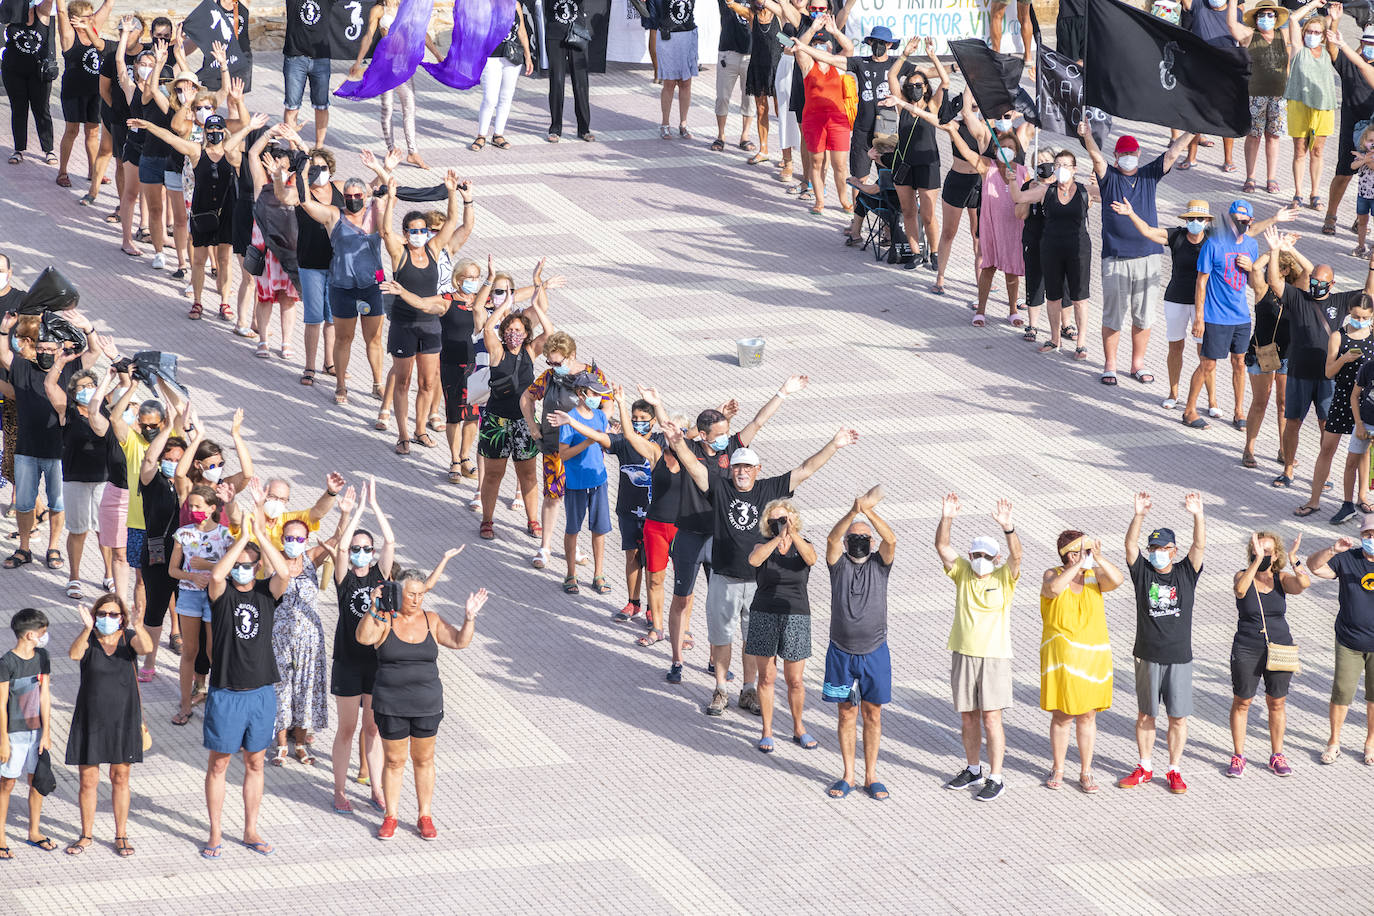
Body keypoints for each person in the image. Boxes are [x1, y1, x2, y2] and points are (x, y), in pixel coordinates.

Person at [671, 423, 858, 717]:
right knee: (721, 637)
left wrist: (834, 444)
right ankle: (721, 688)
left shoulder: (769, 489)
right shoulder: (719, 488)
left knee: (753, 641)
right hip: (724, 577)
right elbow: (694, 467)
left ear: (758, 469)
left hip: (759, 584)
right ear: (729, 470)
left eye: (747, 468)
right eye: (736, 468)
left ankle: (748, 690)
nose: (741, 473)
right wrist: (677, 442)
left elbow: (806, 469)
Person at [641, 376, 807, 688]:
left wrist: (782, 392)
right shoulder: (688, 449)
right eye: (718, 434)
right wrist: (658, 404)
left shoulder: (732, 449)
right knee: (682, 599)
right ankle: (677, 659)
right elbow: (671, 434)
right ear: (703, 435)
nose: (725, 438)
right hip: (690, 533)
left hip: (721, 536)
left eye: (726, 433)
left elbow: (758, 421)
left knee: (721, 604)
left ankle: (714, 660)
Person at [355, 561, 486, 840]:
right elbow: (363, 638)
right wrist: (373, 608)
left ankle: (424, 815)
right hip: (391, 704)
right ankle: (390, 816)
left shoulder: (431, 619)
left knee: (424, 759)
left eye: (420, 595)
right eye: (410, 594)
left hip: (426, 704)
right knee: (394, 761)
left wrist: (469, 617)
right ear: (399, 592)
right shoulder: (386, 618)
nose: (415, 600)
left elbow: (460, 641)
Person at [200, 516, 289, 859]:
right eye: (239, 565)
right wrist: (241, 539)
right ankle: (215, 832)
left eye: (249, 566)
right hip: (226, 691)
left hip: (261, 692)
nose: (243, 570)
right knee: (219, 764)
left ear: (257, 567)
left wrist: (261, 538)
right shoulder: (221, 596)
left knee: (256, 762)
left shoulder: (267, 593)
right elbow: (218, 575)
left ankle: (251, 829)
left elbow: (283, 574)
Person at [1078, 121, 1193, 386]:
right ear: (1116, 157)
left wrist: (1192, 131)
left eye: (1133, 154)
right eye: (1123, 154)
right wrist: (1086, 137)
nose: (1128, 158)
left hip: (1149, 257)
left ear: (1138, 155)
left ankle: (1137, 364)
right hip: (1116, 258)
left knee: (1143, 315)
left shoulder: (1148, 174)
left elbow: (1173, 153)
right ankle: (1110, 365)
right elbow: (1096, 157)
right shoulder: (1110, 178)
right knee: (1113, 315)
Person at [129, 110, 268, 319]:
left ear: (224, 131)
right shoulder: (196, 151)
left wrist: (250, 127)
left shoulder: (232, 154)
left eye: (218, 128)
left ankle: (224, 302)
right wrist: (149, 125)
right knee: (199, 260)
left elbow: (247, 141)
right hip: (201, 212)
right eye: (210, 128)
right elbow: (170, 138)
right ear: (204, 131)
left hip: (226, 212)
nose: (214, 132)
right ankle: (197, 301)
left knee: (224, 260)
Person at [1265, 231, 1374, 494]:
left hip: (1328, 377)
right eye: (1313, 280)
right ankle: (1288, 468)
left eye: (1321, 282)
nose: (1316, 285)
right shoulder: (1298, 298)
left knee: (1327, 425)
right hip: (1299, 373)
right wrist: (1276, 251)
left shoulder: (1339, 301)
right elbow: (1274, 282)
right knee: (1292, 422)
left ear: (1332, 284)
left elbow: (1368, 295)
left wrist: (1371, 266)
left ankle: (1322, 475)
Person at [935, 493, 1020, 802]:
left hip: (995, 657)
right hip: (963, 653)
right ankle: (974, 770)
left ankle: (996, 777)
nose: (979, 560)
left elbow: (1018, 558)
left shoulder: (1004, 576)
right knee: (968, 717)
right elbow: (943, 548)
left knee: (991, 718)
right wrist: (947, 519)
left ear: (995, 558)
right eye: (975, 555)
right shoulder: (962, 573)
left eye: (985, 555)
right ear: (970, 556)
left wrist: (1008, 529)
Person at [1120, 491, 1205, 795]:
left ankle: (1174, 769)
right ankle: (1144, 766)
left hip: (1179, 657)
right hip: (1146, 655)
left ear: (1173, 550)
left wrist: (1197, 515)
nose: (1157, 552)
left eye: (1162, 548)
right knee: (1146, 715)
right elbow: (1130, 546)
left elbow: (1199, 546)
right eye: (1153, 548)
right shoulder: (1142, 573)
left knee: (1177, 717)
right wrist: (1139, 514)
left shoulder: (1185, 572)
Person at [378, 175, 467, 454]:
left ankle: (419, 430)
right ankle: (403, 434)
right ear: (405, 233)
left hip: (430, 325)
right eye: (413, 231)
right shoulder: (399, 253)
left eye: (423, 230)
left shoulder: (433, 248)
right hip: (404, 325)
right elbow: (384, 232)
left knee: (428, 382)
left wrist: (452, 193)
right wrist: (391, 199)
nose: (419, 235)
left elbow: (452, 223)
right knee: (402, 381)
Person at [63, 592, 152, 856]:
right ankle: (86, 834)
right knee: (88, 780)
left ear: (122, 618)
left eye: (113, 614)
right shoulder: (89, 639)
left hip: (124, 718)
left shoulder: (128, 638)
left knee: (120, 777)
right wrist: (87, 629)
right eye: (102, 614)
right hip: (91, 718)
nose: (107, 618)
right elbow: (74, 655)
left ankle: (121, 834)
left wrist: (140, 623)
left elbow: (146, 648)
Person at [820, 486, 894, 800]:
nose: (860, 541)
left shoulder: (881, 563)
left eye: (865, 538)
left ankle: (871, 775)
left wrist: (868, 512)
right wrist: (853, 513)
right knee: (846, 712)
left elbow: (891, 541)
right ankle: (848, 775)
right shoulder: (838, 565)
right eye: (855, 537)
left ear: (871, 542)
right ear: (848, 542)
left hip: (875, 651)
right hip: (840, 651)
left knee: (873, 714)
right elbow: (830, 541)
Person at [1040, 532, 1124, 794]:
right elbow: (1053, 590)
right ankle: (1059, 768)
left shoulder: (1093, 576)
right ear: (1070, 554)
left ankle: (1086, 771)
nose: (1089, 553)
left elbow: (1117, 580)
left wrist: (1098, 558)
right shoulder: (1052, 574)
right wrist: (1077, 565)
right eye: (1083, 550)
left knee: (1087, 715)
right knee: (1063, 715)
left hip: (1092, 656)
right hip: (1063, 659)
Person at [1111, 198, 1213, 410]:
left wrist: (1274, 219)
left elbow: (1244, 234)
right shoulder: (1176, 235)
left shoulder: (1213, 239)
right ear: (1186, 220)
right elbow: (1148, 231)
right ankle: (1173, 393)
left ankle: (1212, 400)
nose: (1196, 221)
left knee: (1206, 352)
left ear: (1207, 221)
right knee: (1175, 347)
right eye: (1192, 218)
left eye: (1200, 218)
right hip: (1176, 299)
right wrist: (1130, 213)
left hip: (1203, 304)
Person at [520, 331, 610, 569]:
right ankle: (545, 546)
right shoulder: (549, 376)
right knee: (552, 495)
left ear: (571, 356)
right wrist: (532, 426)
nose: (552, 366)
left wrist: (600, 425)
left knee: (579, 497)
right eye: (549, 362)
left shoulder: (593, 375)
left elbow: (607, 400)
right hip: (554, 446)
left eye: (557, 362)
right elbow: (526, 397)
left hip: (585, 449)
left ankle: (575, 545)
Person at [330, 480, 393, 812]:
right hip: (347, 662)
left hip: (375, 662)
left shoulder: (379, 576)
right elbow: (339, 550)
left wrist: (376, 508)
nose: (361, 553)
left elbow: (391, 542)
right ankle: (340, 791)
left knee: (373, 727)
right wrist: (355, 514)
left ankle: (377, 789)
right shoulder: (346, 579)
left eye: (367, 548)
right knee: (347, 728)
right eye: (358, 548)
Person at [298, 172, 387, 405]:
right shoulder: (334, 215)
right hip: (343, 287)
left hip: (371, 287)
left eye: (358, 195)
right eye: (348, 196)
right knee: (344, 338)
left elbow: (390, 193)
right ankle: (341, 385)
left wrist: (381, 168)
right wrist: (301, 170)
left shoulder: (375, 214)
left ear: (366, 196)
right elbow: (306, 202)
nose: (353, 199)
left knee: (374, 338)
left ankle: (378, 384)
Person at [1229, 531, 1307, 779]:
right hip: (1247, 646)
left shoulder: (1282, 578)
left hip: (1280, 647)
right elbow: (1240, 591)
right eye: (1258, 549)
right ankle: (1239, 755)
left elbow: (1303, 584)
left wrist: (1294, 559)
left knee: (1277, 702)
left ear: (1276, 555)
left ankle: (1277, 754)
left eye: (1268, 550)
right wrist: (1255, 562)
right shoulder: (1243, 575)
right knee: (1243, 701)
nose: (1263, 553)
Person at [743, 497, 818, 754]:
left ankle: (798, 727)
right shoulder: (762, 544)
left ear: (794, 519)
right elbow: (754, 560)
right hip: (765, 613)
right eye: (774, 520)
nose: (779, 523)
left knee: (795, 679)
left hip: (796, 614)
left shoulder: (803, 545)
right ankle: (767, 730)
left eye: (784, 519)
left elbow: (812, 559)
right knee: (766, 676)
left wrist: (792, 535)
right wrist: (777, 537)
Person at [477, 287, 553, 539]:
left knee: (528, 474)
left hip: (524, 422)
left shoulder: (530, 352)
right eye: (509, 330)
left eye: (519, 331)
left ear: (526, 334)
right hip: (496, 422)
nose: (513, 334)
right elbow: (488, 329)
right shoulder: (497, 350)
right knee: (494, 474)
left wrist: (537, 307)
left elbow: (550, 334)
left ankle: (533, 521)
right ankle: (487, 520)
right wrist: (505, 305)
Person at [1181, 200, 1261, 430]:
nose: (1239, 224)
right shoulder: (1214, 244)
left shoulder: (1252, 246)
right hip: (1215, 316)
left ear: (1250, 222)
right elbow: (1201, 281)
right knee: (1208, 364)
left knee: (1239, 363)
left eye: (1243, 221)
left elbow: (1257, 285)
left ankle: (1238, 412)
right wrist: (1199, 317)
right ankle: (1189, 410)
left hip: (1241, 317)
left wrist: (1251, 268)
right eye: (1235, 220)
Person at [1295, 294, 1374, 519]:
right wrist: (1344, 359)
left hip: (1366, 401)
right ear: (1349, 312)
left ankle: (1363, 496)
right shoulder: (1339, 337)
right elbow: (1328, 372)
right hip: (1342, 398)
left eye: (1365, 317)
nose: (1360, 320)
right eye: (1356, 316)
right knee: (1327, 448)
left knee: (1363, 451)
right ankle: (1314, 499)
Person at [944, 122, 1025, 327]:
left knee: (1012, 271)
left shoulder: (1023, 172)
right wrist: (954, 132)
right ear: (996, 150)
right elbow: (967, 152)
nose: (1006, 152)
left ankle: (1013, 310)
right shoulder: (987, 167)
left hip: (1014, 228)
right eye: (1002, 148)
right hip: (991, 227)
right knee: (987, 268)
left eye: (1011, 149)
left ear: (1016, 152)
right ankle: (981, 310)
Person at [1307, 522, 1374, 765]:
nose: (1371, 538)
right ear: (1361, 536)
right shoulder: (1348, 558)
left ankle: (1371, 743)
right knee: (1342, 692)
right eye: (1368, 534)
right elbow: (1314, 567)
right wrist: (1333, 550)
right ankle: (1334, 741)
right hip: (1350, 640)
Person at [43, 359, 109, 599]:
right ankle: (74, 577)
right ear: (72, 392)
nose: (86, 389)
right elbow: (50, 385)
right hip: (75, 479)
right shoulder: (67, 411)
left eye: (91, 384)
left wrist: (114, 364)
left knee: (105, 531)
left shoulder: (105, 408)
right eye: (81, 387)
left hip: (104, 479)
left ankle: (109, 575)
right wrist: (61, 360)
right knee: (79, 531)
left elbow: (124, 385)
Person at [168, 483, 234, 726]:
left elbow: (233, 568)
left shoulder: (225, 535)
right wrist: (191, 576)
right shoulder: (183, 533)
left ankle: (220, 706)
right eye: (191, 505)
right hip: (189, 596)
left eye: (198, 506)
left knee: (214, 652)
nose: (193, 510)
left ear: (211, 508)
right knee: (189, 651)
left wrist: (207, 567)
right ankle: (185, 704)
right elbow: (173, 570)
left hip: (216, 598)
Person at [881, 38, 949, 272]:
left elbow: (946, 81)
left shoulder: (932, 107)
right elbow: (891, 77)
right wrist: (904, 55)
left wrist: (933, 57)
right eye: (911, 85)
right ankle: (916, 253)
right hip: (904, 163)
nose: (914, 88)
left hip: (928, 164)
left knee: (928, 214)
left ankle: (935, 252)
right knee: (908, 210)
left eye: (919, 84)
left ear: (926, 87)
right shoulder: (901, 104)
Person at [1015, 149, 1092, 353]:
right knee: (1053, 297)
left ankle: (1081, 344)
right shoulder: (1045, 190)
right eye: (1057, 165)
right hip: (1051, 248)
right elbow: (1018, 197)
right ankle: (1054, 339)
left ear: (1075, 169)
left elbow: (1112, 194)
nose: (1060, 169)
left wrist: (1100, 180)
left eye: (1065, 165)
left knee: (1079, 298)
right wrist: (1012, 180)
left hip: (1078, 250)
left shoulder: (1084, 190)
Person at [547, 372, 615, 593]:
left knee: (600, 529)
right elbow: (564, 454)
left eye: (598, 393)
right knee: (573, 529)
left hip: (599, 481)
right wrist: (589, 440)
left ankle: (599, 574)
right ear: (581, 394)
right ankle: (570, 574)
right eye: (594, 392)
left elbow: (605, 443)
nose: (597, 396)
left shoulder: (600, 416)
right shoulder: (569, 419)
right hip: (576, 484)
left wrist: (609, 438)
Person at [605, 389, 666, 633]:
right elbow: (603, 440)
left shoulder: (661, 442)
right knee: (632, 556)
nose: (638, 422)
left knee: (653, 561)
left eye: (643, 419)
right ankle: (633, 602)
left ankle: (653, 608)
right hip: (628, 510)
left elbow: (688, 434)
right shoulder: (624, 441)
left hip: (655, 515)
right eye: (634, 418)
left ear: (653, 421)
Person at [1241, 233, 1302, 470]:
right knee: (1261, 401)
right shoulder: (1262, 291)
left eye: (1276, 267)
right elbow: (1255, 268)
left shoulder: (1296, 293)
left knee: (1284, 402)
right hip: (1264, 351)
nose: (1270, 271)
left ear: (1285, 271)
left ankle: (1284, 449)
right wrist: (1272, 250)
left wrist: (1289, 251)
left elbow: (1307, 273)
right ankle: (1249, 448)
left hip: (1287, 353)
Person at [349, 0, 432, 166]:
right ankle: (391, 148)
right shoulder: (378, 10)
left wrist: (437, 54)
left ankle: (413, 152)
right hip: (386, 64)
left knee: (409, 106)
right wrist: (358, 62)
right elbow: (369, 36)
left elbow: (422, 32)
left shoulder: (405, 7)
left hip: (403, 63)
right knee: (387, 107)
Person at [0, 608, 52, 857]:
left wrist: (47, 732)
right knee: (7, 783)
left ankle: (34, 831)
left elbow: (45, 696)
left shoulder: (42, 657)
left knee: (36, 782)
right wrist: (3, 741)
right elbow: (1, 704)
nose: (45, 636)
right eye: (42, 632)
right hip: (13, 734)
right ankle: (0, 835)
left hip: (36, 732)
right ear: (30, 634)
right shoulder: (7, 663)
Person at [790, 16, 854, 216]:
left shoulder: (837, 64)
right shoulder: (808, 64)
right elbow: (800, 47)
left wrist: (835, 32)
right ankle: (819, 200)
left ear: (830, 46)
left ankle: (844, 200)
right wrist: (813, 29)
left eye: (823, 43)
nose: (820, 46)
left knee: (840, 164)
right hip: (814, 121)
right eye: (816, 43)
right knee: (817, 162)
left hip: (838, 120)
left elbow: (850, 49)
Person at [933, 93, 993, 294]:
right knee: (949, 232)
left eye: (977, 108)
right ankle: (940, 276)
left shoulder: (985, 130)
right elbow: (935, 119)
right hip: (957, 182)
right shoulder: (955, 126)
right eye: (971, 108)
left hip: (978, 182)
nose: (973, 112)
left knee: (979, 235)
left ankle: (981, 282)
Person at [1319, 22, 1374, 236]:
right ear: (1361, 43)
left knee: (1370, 179)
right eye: (1368, 43)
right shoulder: (1351, 63)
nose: (1371, 47)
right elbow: (1332, 49)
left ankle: (1361, 221)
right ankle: (1331, 215)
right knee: (1344, 174)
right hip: (1351, 128)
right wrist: (1334, 21)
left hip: (1372, 131)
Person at [55, 0, 111, 190]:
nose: (92, 18)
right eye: (88, 16)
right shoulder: (69, 35)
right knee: (72, 131)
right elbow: (61, 11)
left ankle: (93, 171)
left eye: (91, 15)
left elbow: (108, 5)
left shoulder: (93, 28)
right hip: (73, 91)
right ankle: (62, 172)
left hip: (94, 91)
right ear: (75, 20)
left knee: (93, 131)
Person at [1286, 5, 1336, 208]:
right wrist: (1315, 3)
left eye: (1317, 32)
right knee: (1300, 150)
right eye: (1310, 31)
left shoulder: (1327, 52)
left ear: (1323, 35)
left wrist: (1334, 17)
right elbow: (1292, 19)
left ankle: (1315, 193)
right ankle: (1298, 193)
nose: (1313, 35)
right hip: (1299, 104)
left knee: (1317, 150)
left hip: (1323, 107)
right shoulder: (1299, 49)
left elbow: (1334, 30)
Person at [1238, 0, 1291, 194]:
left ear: (1276, 18)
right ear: (1255, 18)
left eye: (1270, 15)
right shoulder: (1251, 35)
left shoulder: (1283, 35)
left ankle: (1271, 178)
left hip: (1279, 95)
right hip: (1255, 94)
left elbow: (1287, 64)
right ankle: (1250, 177)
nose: (1266, 18)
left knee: (1273, 136)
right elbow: (1231, 26)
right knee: (1254, 135)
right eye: (1262, 15)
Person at [2, 0, 58, 166]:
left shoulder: (42, 13)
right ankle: (19, 149)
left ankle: (48, 149)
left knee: (42, 109)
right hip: (13, 71)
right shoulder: (12, 15)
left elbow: (49, 3)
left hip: (38, 73)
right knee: (18, 109)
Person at [473, 3, 533, 150]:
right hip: (491, 56)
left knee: (506, 97)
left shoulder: (516, 4)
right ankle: (481, 136)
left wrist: (528, 56)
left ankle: (498, 135)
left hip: (512, 56)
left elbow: (522, 31)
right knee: (490, 99)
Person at [282, 0, 333, 148]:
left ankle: (319, 147)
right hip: (295, 57)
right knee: (292, 106)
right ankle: (292, 149)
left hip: (321, 58)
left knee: (322, 105)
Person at [544, 0, 595, 143]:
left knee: (581, 83)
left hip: (577, 32)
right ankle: (555, 128)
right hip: (555, 34)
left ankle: (584, 129)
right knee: (557, 82)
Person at [711, 0, 755, 154]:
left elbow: (757, 16)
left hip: (751, 53)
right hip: (727, 52)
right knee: (722, 96)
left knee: (749, 98)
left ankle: (745, 135)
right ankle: (721, 135)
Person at [654, 0, 698, 140]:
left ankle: (683, 124)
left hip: (688, 34)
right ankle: (665, 124)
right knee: (669, 83)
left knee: (686, 83)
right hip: (668, 36)